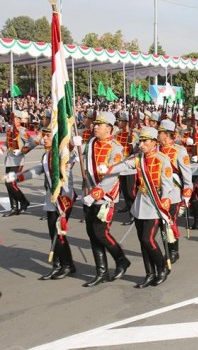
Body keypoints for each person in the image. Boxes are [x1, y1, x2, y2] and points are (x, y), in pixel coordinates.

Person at [4, 127, 77, 280]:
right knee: (54, 233)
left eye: (48, 136)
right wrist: (18, 177)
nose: (44, 138)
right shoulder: (47, 155)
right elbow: (38, 170)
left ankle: (64, 266)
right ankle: (63, 264)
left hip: (64, 197)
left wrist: (74, 145)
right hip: (52, 197)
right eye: (44, 135)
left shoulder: (62, 153)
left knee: (58, 233)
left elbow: (71, 155)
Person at [106, 126, 175, 287]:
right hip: (140, 204)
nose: (141, 144)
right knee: (142, 241)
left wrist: (165, 201)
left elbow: (167, 184)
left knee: (147, 238)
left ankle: (162, 267)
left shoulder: (162, 159)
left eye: (144, 141)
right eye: (141, 141)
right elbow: (124, 165)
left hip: (155, 204)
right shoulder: (139, 158)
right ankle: (149, 273)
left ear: (153, 143)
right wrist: (108, 169)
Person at [78, 111, 131, 287]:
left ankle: (121, 259)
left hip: (105, 197)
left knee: (101, 233)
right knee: (92, 234)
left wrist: (94, 195)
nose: (95, 127)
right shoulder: (91, 142)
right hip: (89, 192)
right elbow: (82, 161)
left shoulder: (116, 148)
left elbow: (111, 178)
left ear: (108, 128)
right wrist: (75, 148)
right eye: (95, 124)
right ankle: (101, 271)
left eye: (99, 124)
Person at [157, 119, 193, 262]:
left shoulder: (179, 151)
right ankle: (166, 246)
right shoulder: (156, 150)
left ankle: (173, 250)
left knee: (169, 222)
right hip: (157, 192)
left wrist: (187, 192)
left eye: (160, 133)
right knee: (161, 224)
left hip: (173, 193)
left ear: (166, 135)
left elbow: (186, 174)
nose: (158, 135)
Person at [3, 110, 37, 216]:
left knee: (10, 183)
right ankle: (14, 208)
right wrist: (2, 148)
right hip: (9, 160)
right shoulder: (10, 129)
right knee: (8, 184)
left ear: (17, 119)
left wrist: (22, 150)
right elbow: (7, 143)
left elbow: (32, 143)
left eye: (13, 117)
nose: (11, 119)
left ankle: (24, 201)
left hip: (17, 160)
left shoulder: (22, 130)